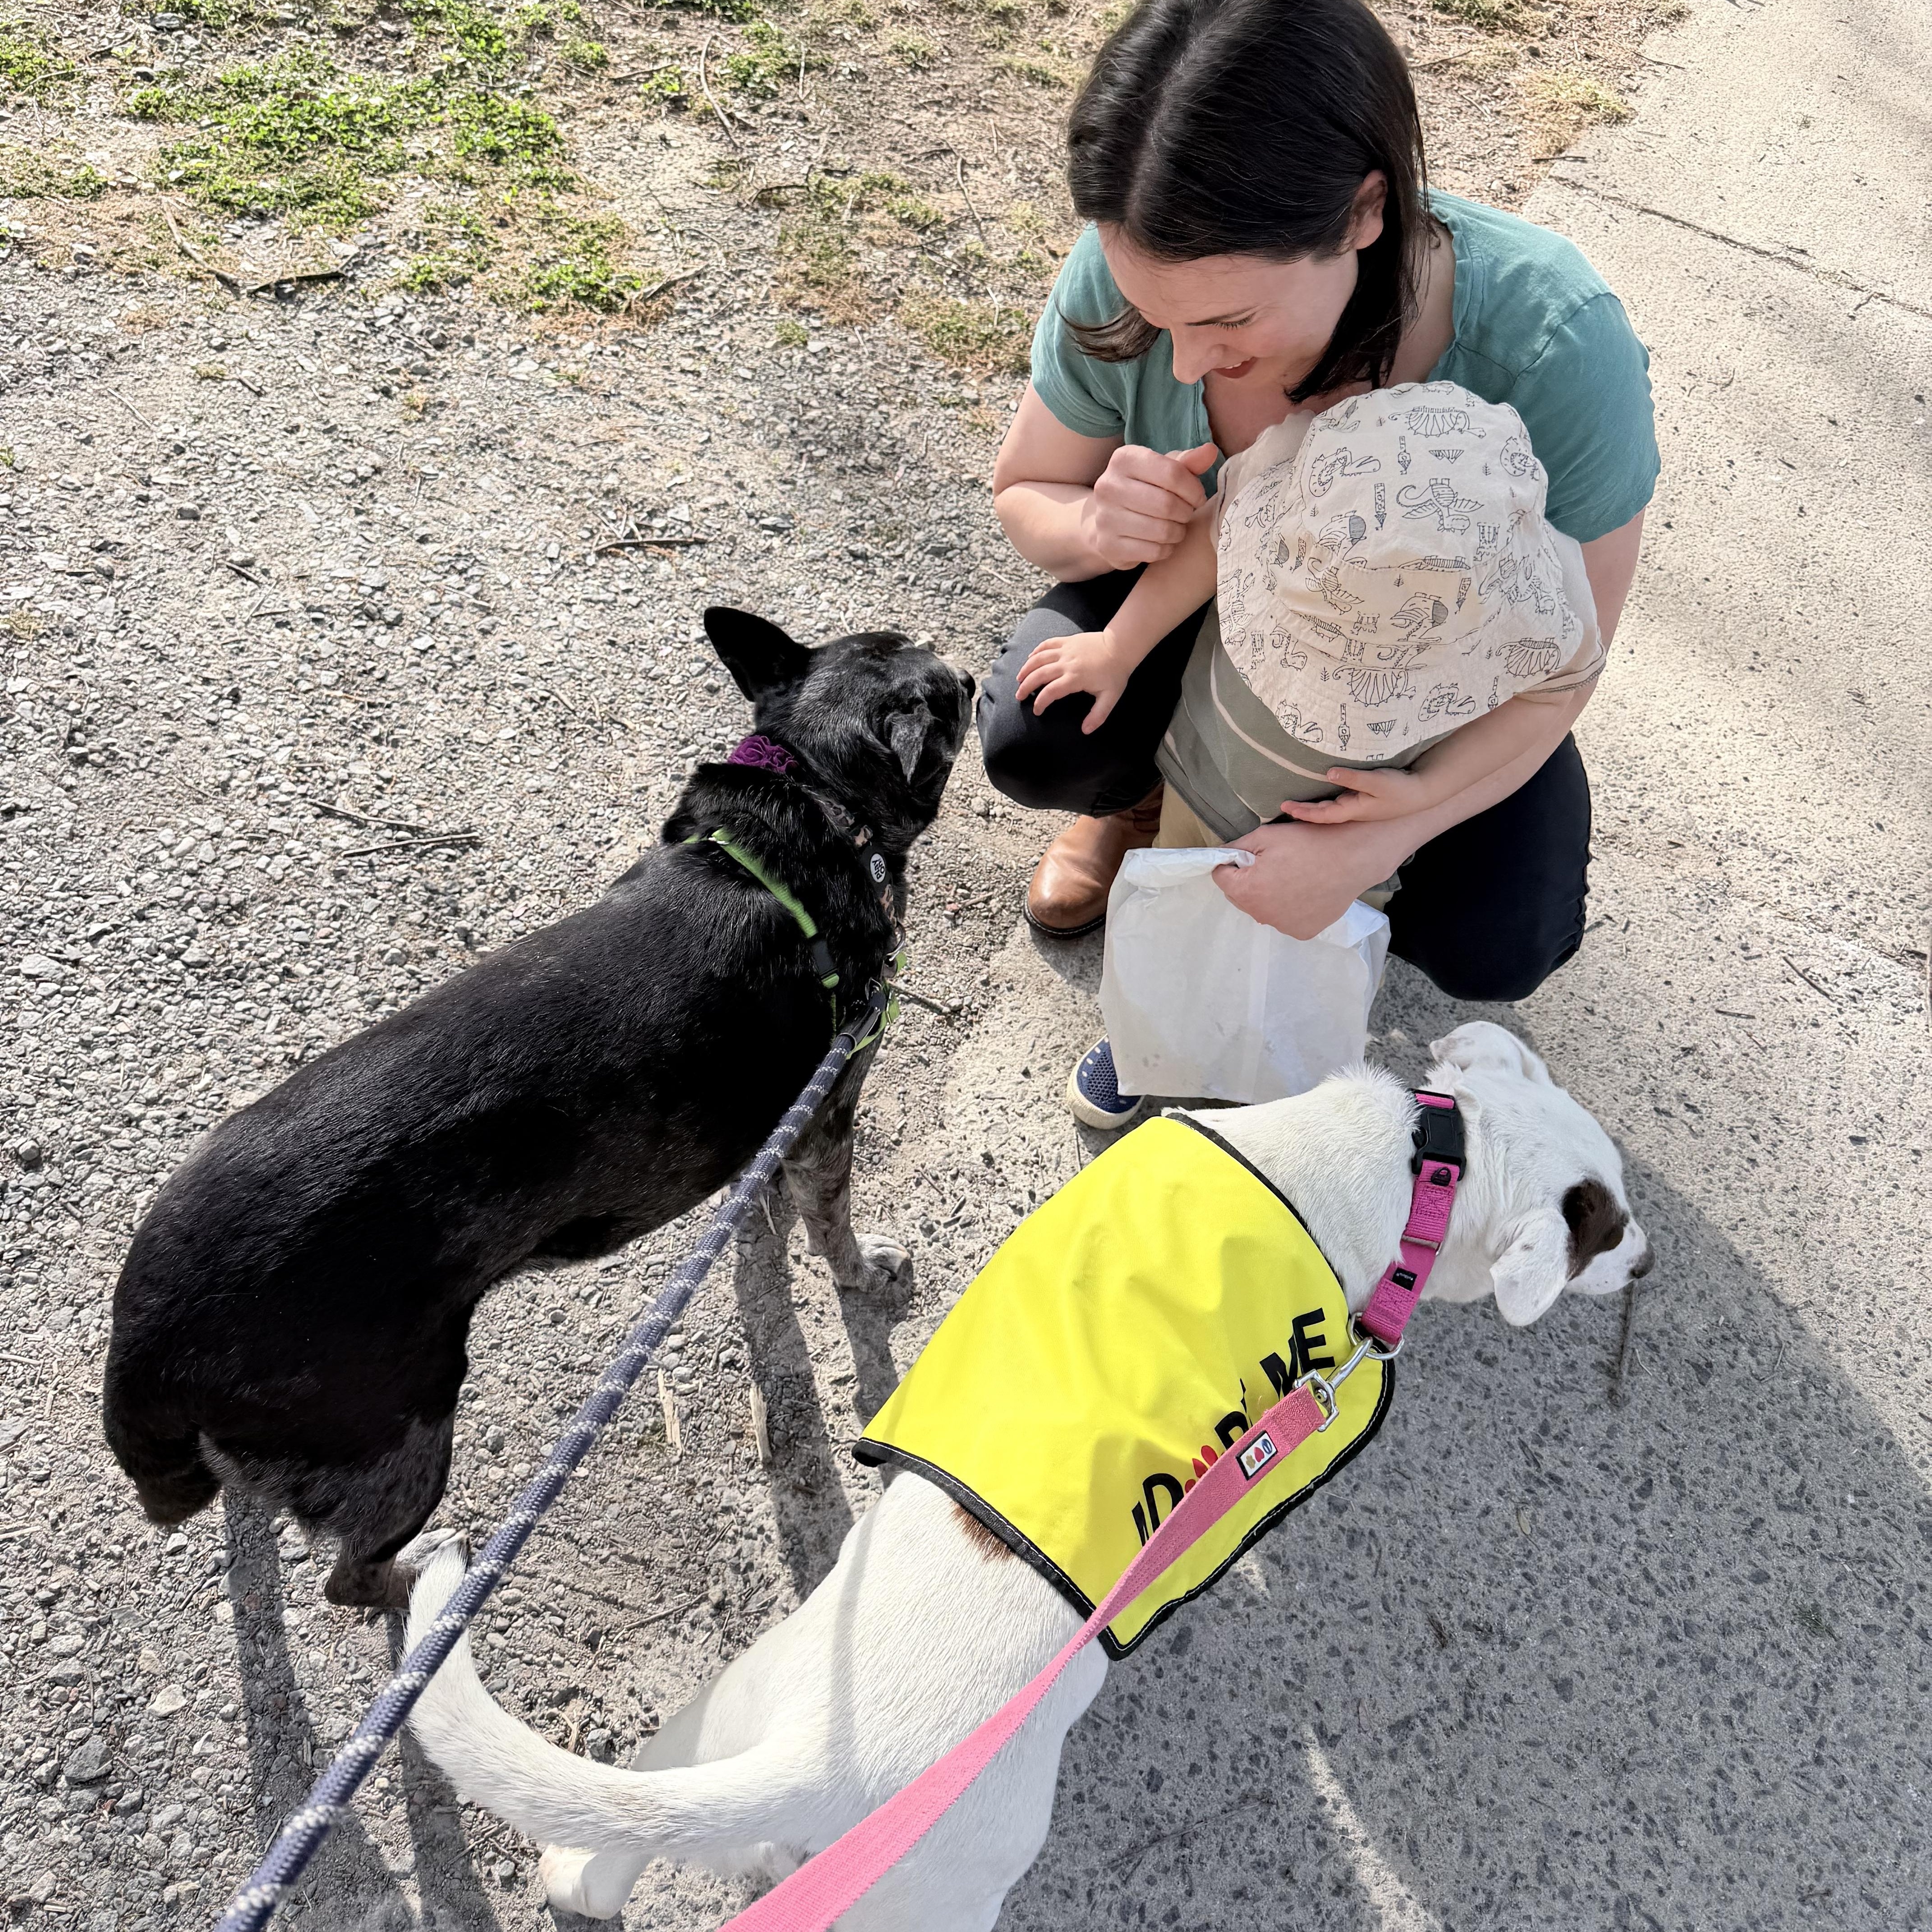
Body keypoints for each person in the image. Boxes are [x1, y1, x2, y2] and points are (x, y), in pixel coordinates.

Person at [979, 0, 1658, 1126]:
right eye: (1156, 314)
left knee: (1504, 934)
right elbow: (1026, 488)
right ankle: (1147, 814)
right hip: (1185, 607)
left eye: (1230, 321)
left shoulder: (1554, 344)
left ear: (1363, 212)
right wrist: (1098, 532)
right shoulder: (1149, 266)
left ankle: (1307, 961)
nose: (1188, 359)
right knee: (1039, 729)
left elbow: (1567, 663)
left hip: (1418, 694)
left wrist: (1391, 829)